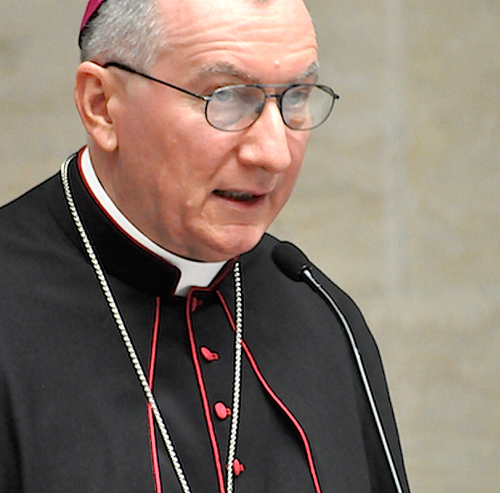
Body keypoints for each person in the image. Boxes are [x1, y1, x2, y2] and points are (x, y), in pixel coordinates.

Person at [0, 0, 411, 491]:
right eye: (226, 97)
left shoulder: (322, 316)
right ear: (102, 106)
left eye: (297, 96)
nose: (273, 153)